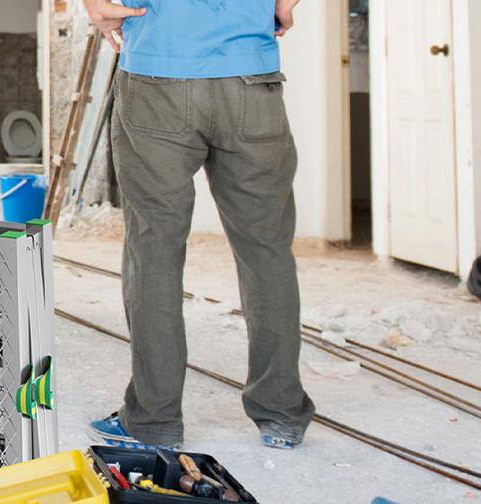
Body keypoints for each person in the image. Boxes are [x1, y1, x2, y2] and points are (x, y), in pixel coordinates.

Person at [84, 0, 314, 450]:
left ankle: (154, 421)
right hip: (251, 80)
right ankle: (282, 415)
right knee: (266, 250)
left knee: (154, 250)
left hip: (157, 79)